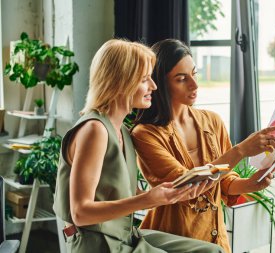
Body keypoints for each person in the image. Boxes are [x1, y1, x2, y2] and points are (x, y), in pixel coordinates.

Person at [53, 39, 225, 253]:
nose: (153, 86)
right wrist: (146, 199)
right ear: (120, 82)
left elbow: (123, 195)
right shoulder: (95, 131)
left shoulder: (123, 130)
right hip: (100, 244)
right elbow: (80, 212)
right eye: (145, 79)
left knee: (212, 251)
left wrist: (172, 194)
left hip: (125, 236)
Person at [131, 39, 275, 253]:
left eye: (194, 73)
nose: (194, 85)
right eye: (181, 79)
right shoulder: (146, 134)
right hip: (173, 242)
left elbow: (225, 181)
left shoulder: (212, 121)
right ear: (159, 84)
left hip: (216, 242)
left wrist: (250, 184)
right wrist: (240, 150)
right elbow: (186, 187)